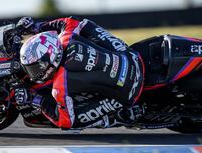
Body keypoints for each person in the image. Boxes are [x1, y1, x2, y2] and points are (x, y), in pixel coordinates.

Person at [13, 16, 145, 129]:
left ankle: (115, 118)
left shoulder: (60, 85)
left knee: (73, 122)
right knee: (86, 25)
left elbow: (65, 121)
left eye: (35, 67)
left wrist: (34, 99)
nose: (33, 72)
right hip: (131, 57)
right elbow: (69, 21)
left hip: (128, 91)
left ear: (50, 59)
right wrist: (36, 27)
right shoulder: (67, 37)